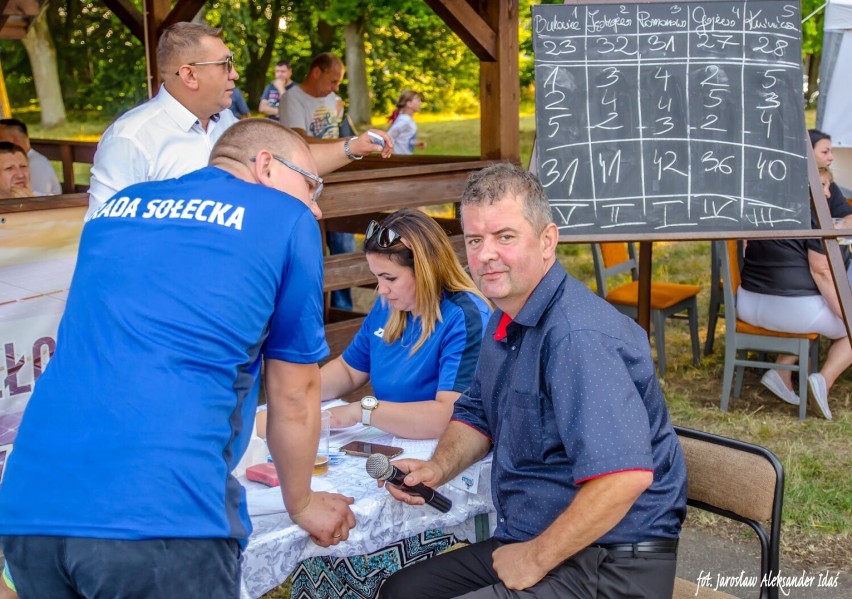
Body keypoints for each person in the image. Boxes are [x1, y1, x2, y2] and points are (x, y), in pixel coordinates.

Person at [0, 119, 357, 598]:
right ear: (266, 167)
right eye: (311, 185)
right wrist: (302, 502)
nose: (314, 208)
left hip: (30, 509)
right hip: (162, 511)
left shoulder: (116, 207)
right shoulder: (283, 217)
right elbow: (295, 392)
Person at [378, 163, 688, 599]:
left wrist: (536, 557)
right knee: (402, 591)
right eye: (475, 240)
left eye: (505, 237)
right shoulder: (506, 315)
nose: (486, 254)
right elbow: (477, 413)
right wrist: (437, 468)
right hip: (534, 535)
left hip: (610, 561)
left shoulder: (577, 338)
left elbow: (624, 478)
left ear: (547, 241)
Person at [266, 209, 491, 598]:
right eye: (377, 278)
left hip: (441, 469)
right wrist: (291, 395)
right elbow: (349, 371)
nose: (380, 290)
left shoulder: (465, 315)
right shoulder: (392, 306)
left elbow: (448, 415)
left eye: (389, 278)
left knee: (350, 543)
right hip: (388, 452)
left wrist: (362, 410)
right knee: (332, 521)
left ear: (425, 269)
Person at [86, 23, 391, 221]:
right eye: (225, 64)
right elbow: (103, 234)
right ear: (189, 74)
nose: (235, 74)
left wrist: (356, 146)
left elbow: (290, 163)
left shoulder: (227, 124)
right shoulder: (131, 139)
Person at [737, 164, 850, 420]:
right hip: (790, 308)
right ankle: (824, 379)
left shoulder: (762, 206)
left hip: (747, 303)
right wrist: (845, 313)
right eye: (822, 185)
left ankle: (782, 372)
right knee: (845, 321)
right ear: (805, 186)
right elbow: (821, 271)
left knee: (821, 314)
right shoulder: (814, 215)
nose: (829, 194)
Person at [279, 52, 353, 310]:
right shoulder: (293, 99)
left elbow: (340, 133)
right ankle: (314, 311)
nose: (335, 88)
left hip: (338, 183)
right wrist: (345, 146)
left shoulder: (333, 99)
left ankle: (342, 308)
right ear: (316, 72)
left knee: (344, 247)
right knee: (312, 251)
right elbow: (301, 140)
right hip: (306, 187)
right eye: (332, 81)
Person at [0, 119, 61, 195]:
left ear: (14, 140)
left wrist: (30, 203)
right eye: (9, 168)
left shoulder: (37, 163)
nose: (20, 175)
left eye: (23, 166)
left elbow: (42, 196)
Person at [387, 90, 427, 155]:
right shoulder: (404, 120)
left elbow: (404, 138)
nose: (420, 103)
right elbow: (389, 136)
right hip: (400, 160)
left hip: (405, 158)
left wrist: (415, 143)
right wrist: (392, 154)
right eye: (418, 100)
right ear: (409, 104)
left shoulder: (408, 119)